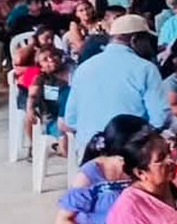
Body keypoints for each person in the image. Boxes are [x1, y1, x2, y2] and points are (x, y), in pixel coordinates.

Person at [64, 14, 171, 150]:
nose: (149, 45)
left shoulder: (84, 67)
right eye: (147, 40)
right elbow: (160, 119)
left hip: (89, 153)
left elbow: (71, 120)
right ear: (135, 39)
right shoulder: (145, 68)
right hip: (129, 152)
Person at [27, 47, 71, 154]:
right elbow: (32, 95)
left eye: (53, 55)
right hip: (54, 120)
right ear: (41, 67)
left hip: (74, 117)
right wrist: (30, 108)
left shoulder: (72, 72)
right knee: (67, 146)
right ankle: (56, 147)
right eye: (45, 59)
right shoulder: (41, 79)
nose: (51, 60)